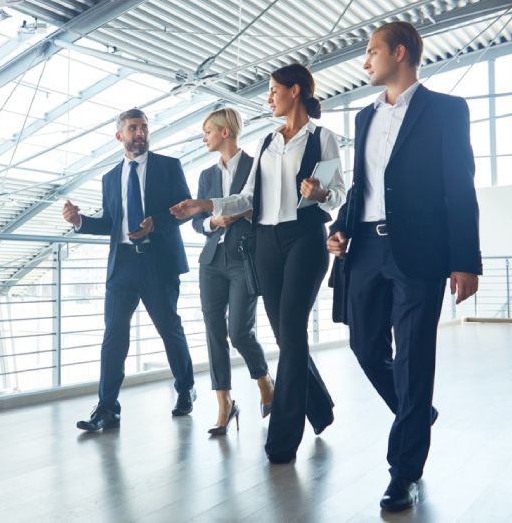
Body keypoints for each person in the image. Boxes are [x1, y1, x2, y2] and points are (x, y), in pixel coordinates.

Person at [326, 22, 481, 512]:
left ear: (399, 52)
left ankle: (404, 472)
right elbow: (362, 186)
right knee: (363, 344)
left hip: (420, 253)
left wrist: (464, 259)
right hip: (366, 249)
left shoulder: (446, 111)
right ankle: (418, 414)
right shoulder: (364, 117)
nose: (365, 62)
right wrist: (342, 225)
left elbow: (459, 184)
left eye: (372, 52)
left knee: (414, 359)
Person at [171, 63, 344, 462]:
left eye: (273, 90)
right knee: (286, 336)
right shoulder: (267, 141)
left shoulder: (322, 139)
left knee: (293, 331)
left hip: (304, 238)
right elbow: (247, 198)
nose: (268, 97)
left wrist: (319, 193)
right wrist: (204, 204)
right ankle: (320, 409)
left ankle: (283, 437)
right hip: (266, 243)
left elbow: (338, 194)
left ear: (295, 91)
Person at [63, 108, 196, 432]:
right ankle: (107, 408)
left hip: (157, 261)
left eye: (144, 127)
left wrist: (156, 223)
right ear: (119, 135)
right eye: (133, 128)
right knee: (114, 337)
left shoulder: (168, 166)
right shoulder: (111, 178)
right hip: (122, 264)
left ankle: (185, 389)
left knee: (169, 328)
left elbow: (186, 210)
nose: (141, 133)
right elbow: (112, 223)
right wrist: (79, 221)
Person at [192, 108, 274, 436]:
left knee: (239, 331)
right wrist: (212, 221)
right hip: (212, 261)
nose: (204, 137)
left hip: (244, 259)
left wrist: (239, 215)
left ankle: (264, 380)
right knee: (214, 331)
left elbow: (266, 209)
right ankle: (224, 404)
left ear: (225, 132)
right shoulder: (205, 176)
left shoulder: (258, 167)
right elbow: (197, 222)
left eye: (208, 131)